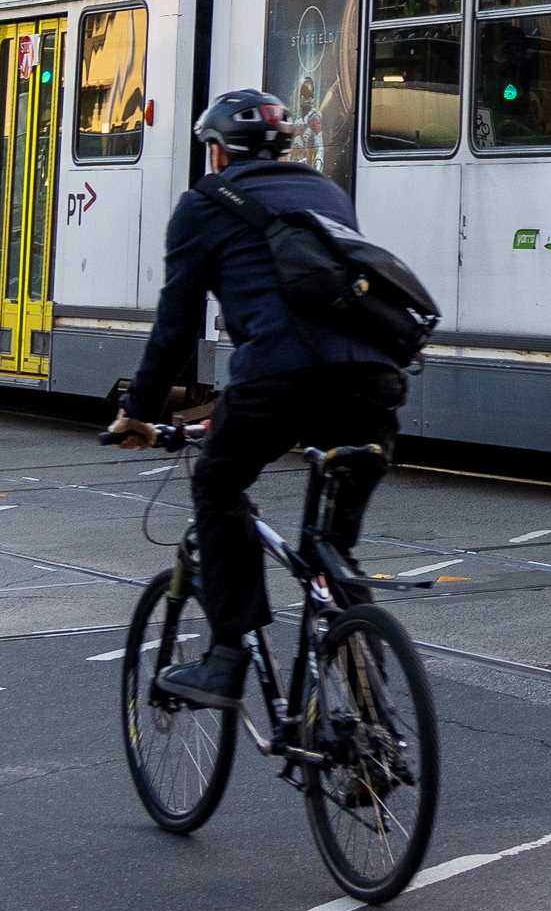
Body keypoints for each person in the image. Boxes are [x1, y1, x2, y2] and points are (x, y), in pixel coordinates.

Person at [104, 87, 411, 712]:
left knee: (218, 487)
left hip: (279, 381)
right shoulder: (327, 194)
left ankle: (223, 657)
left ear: (217, 153)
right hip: (372, 387)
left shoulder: (202, 206)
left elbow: (175, 326)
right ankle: (368, 713)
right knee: (331, 550)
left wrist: (138, 410)